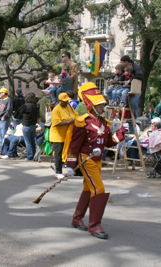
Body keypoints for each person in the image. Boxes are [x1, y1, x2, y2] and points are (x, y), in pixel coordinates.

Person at [65, 82, 126, 240]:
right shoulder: (82, 121)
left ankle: (77, 218)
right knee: (99, 188)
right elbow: (74, 144)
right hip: (86, 159)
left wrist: (120, 133)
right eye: (99, 104)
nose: (102, 107)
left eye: (103, 104)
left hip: (97, 160)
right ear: (91, 105)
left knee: (88, 188)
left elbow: (109, 143)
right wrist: (70, 164)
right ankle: (95, 225)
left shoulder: (104, 123)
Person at [49, 92, 78, 179]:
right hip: (58, 135)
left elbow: (75, 114)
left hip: (67, 134)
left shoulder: (69, 107)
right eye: (64, 101)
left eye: (67, 101)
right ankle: (58, 172)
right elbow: (56, 123)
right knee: (58, 153)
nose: (66, 102)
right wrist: (69, 122)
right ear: (60, 101)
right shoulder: (56, 110)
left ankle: (56, 165)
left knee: (66, 152)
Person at [120, 55, 144, 132]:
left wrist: (130, 80)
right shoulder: (124, 69)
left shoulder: (136, 67)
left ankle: (135, 115)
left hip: (136, 89)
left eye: (122, 62)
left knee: (133, 101)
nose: (122, 64)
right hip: (127, 89)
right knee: (128, 107)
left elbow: (140, 76)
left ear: (127, 62)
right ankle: (131, 127)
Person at [15, 92, 39, 161]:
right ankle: (34, 155)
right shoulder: (35, 106)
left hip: (26, 125)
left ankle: (29, 156)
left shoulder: (25, 106)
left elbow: (18, 113)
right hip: (33, 125)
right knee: (32, 142)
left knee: (27, 142)